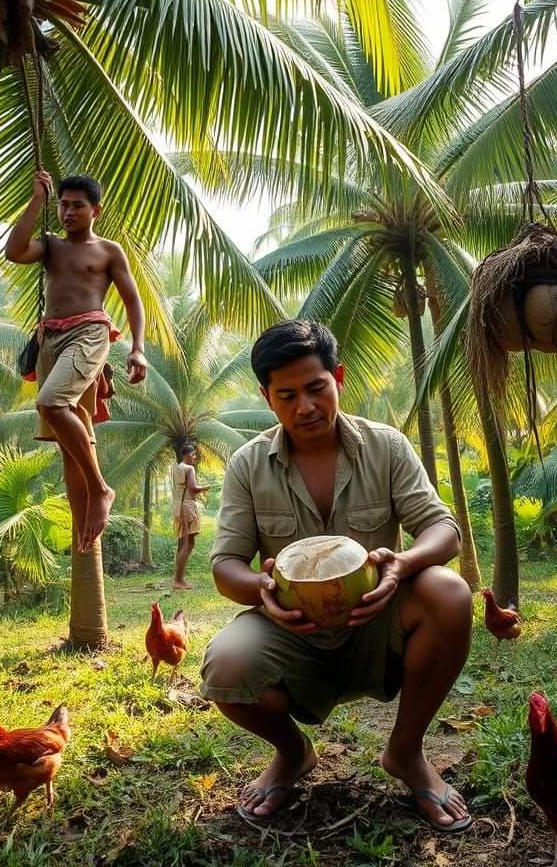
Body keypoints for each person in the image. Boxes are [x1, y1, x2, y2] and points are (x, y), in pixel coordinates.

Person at [199, 320, 473, 832]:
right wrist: (261, 587)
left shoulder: (386, 447)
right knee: (225, 666)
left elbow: (443, 529)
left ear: (338, 378)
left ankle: (407, 753)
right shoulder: (247, 464)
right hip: (291, 634)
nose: (305, 407)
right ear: (267, 397)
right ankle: (292, 752)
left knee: (450, 593)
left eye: (316, 388)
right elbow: (225, 565)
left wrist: (403, 565)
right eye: (288, 395)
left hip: (379, 624)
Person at [5, 170, 147, 552]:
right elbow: (15, 252)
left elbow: (133, 300)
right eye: (63, 205)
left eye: (77, 206)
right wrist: (37, 199)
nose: (68, 212)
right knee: (67, 440)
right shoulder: (51, 245)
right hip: (49, 338)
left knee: (51, 403)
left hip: (89, 332)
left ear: (95, 210)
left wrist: (138, 347)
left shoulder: (108, 251)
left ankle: (101, 489)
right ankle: (83, 528)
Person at [172, 444, 209, 589]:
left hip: (178, 506)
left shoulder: (176, 468)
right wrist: (206, 487)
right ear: (188, 455)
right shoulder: (189, 468)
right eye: (193, 455)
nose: (194, 457)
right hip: (188, 506)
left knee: (182, 543)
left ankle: (178, 578)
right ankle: (178, 579)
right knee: (189, 542)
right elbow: (193, 488)